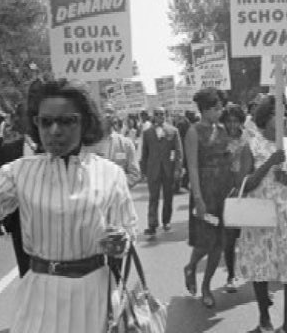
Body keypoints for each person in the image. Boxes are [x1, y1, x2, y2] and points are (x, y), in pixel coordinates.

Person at [0, 79, 137, 333]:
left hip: (94, 293)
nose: (55, 130)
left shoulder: (110, 174)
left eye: (67, 121)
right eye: (45, 121)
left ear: (85, 122)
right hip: (40, 291)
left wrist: (120, 241)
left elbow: (127, 229)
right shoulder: (19, 172)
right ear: (35, 123)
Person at [236, 95, 287, 333]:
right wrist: (270, 162)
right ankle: (264, 316)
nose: (283, 118)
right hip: (259, 214)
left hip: (286, 214)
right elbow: (244, 184)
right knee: (260, 269)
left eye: (285, 113)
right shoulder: (250, 144)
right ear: (265, 116)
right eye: (277, 113)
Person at [182, 88, 234, 307]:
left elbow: (231, 158)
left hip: (223, 193)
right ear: (205, 109)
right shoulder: (193, 132)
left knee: (220, 243)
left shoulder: (223, 130)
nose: (221, 111)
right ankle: (191, 265)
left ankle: (206, 285)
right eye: (217, 108)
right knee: (204, 242)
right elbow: (192, 167)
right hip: (204, 193)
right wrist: (198, 198)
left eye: (220, 107)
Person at [0, 104, 37, 278]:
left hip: (54, 218)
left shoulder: (55, 147)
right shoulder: (7, 149)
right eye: (22, 116)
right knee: (27, 272)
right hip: (19, 220)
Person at [139, 106, 183, 238]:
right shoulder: (147, 133)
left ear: (165, 115)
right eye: (157, 114)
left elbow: (178, 152)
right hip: (153, 169)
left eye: (162, 114)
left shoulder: (173, 131)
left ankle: (166, 221)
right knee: (153, 198)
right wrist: (144, 171)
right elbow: (144, 153)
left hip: (168, 169)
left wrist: (177, 168)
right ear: (153, 116)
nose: (159, 116)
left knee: (168, 197)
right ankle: (152, 224)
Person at [221, 103, 249, 293]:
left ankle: (257, 277)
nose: (232, 125)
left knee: (251, 237)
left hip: (248, 190)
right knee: (230, 238)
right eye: (229, 121)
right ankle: (231, 276)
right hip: (228, 193)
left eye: (236, 121)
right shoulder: (220, 139)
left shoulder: (250, 137)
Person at [83, 104, 141, 187]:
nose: (108, 115)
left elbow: (134, 175)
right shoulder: (87, 145)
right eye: (104, 112)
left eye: (110, 112)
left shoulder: (126, 144)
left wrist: (116, 187)